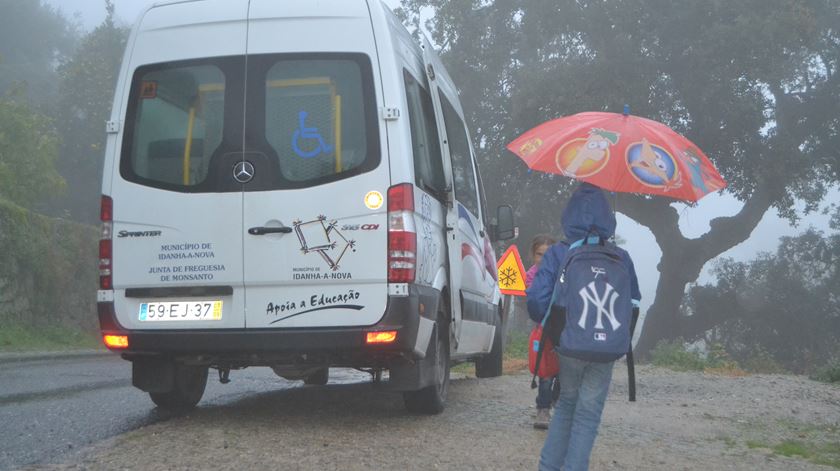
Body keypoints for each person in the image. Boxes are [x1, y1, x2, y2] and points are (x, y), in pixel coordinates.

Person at [527, 183, 641, 471]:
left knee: (566, 404)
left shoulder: (557, 253)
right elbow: (635, 302)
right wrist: (616, 338)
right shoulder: (621, 257)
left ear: (570, 215)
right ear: (608, 218)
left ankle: (548, 467)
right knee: (588, 414)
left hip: (569, 344)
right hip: (606, 351)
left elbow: (537, 300)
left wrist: (551, 329)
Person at [525, 234, 559, 429]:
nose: (543, 259)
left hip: (562, 330)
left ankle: (558, 401)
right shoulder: (532, 275)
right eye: (539, 254)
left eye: (548, 255)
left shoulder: (562, 274)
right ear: (533, 255)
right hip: (542, 331)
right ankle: (543, 409)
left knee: (562, 372)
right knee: (545, 374)